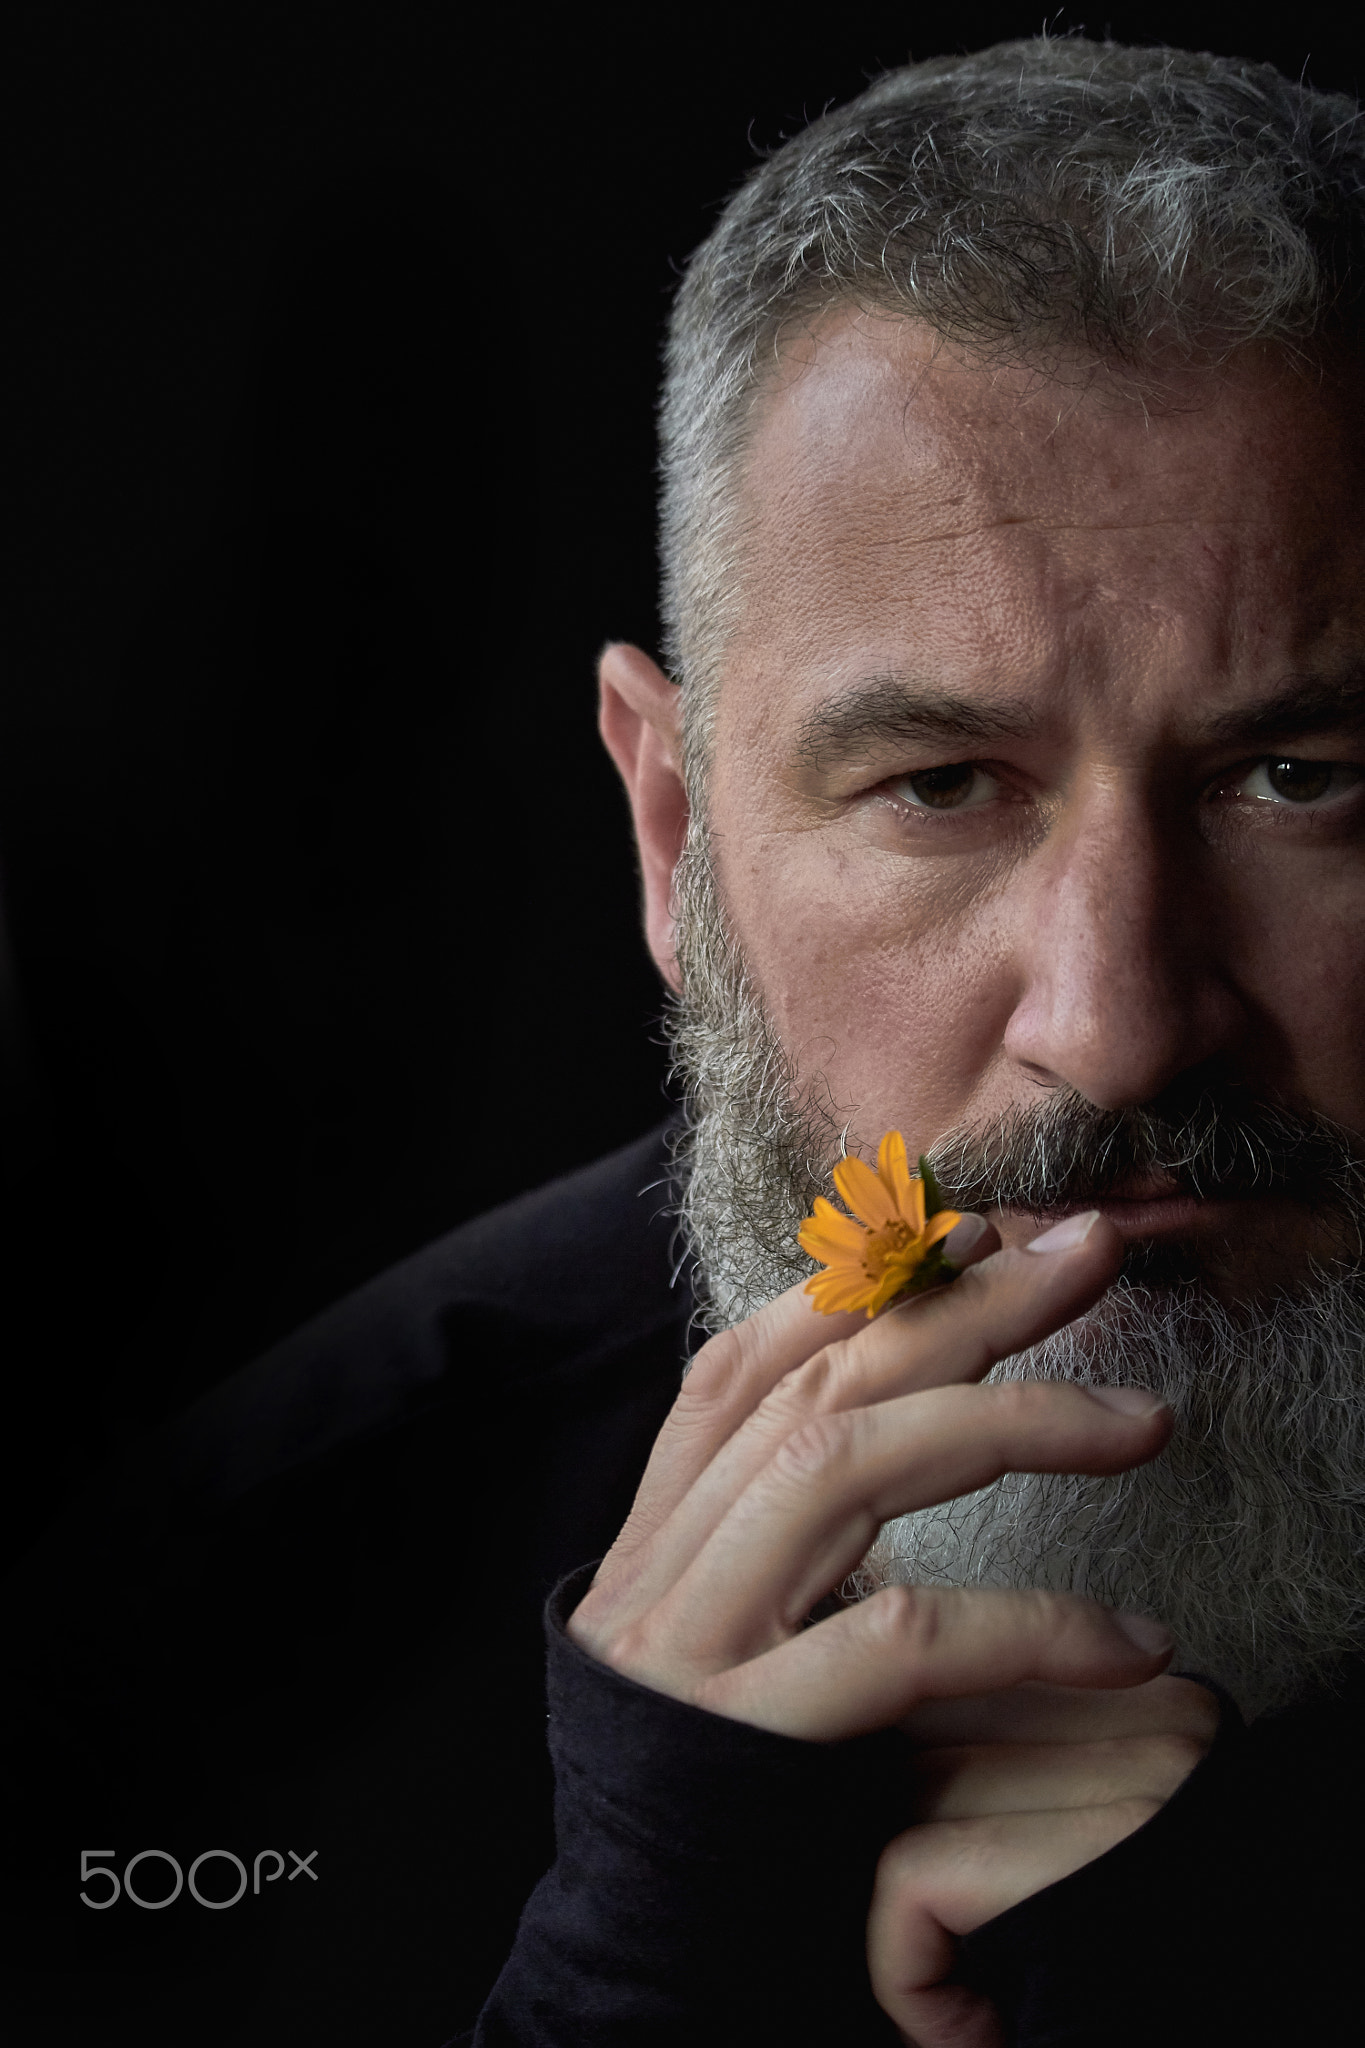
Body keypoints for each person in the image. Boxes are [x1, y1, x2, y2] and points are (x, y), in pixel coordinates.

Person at [7, 33, 1365, 2047]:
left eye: (1297, 776)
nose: (1111, 1026)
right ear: (673, 837)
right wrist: (637, 1970)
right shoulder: (173, 1650)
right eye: (935, 784)